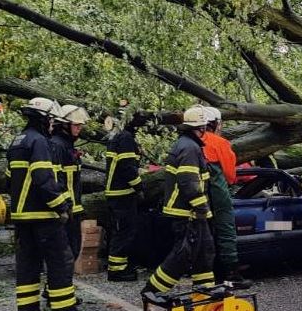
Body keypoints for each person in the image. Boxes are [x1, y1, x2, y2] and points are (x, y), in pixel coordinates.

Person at [7, 97, 91, 311]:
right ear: (45, 119)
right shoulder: (40, 142)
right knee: (60, 260)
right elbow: (45, 179)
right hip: (43, 214)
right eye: (52, 119)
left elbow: (8, 180)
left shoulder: (17, 141)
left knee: (28, 263)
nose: (53, 124)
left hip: (22, 215)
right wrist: (62, 205)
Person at [142, 105, 215, 293]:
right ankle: (152, 291)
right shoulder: (190, 148)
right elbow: (189, 183)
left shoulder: (187, 145)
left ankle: (205, 293)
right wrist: (201, 209)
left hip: (189, 211)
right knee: (181, 256)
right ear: (201, 128)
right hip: (186, 212)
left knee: (204, 252)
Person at [201, 107, 252, 288]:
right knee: (225, 229)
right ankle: (231, 273)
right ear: (216, 123)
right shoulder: (219, 143)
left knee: (203, 231)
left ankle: (205, 274)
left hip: (195, 194)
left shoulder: (188, 142)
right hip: (217, 191)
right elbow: (231, 175)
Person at [103, 110, 143, 282]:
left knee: (119, 230)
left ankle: (120, 266)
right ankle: (117, 270)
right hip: (122, 193)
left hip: (116, 192)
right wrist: (139, 186)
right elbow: (127, 167)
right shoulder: (125, 138)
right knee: (124, 230)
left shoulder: (116, 136)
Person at [49, 104, 90, 261]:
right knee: (65, 254)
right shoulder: (57, 146)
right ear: (64, 125)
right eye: (76, 125)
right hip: (65, 210)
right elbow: (56, 179)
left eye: (80, 125)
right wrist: (65, 205)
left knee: (73, 250)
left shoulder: (67, 146)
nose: (79, 128)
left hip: (73, 209)